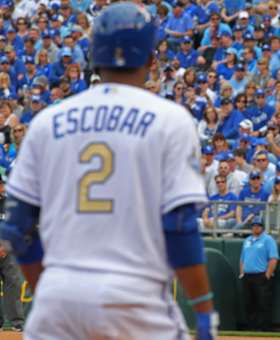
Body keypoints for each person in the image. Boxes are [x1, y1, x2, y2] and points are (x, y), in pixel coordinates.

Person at [0, 3, 218, 340]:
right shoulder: (170, 120)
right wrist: (203, 310)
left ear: (94, 56)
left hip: (58, 303)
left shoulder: (46, 123)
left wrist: (52, 290)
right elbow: (180, 227)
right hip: (135, 301)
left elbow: (17, 228)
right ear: (150, 59)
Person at [239, 216, 278, 331]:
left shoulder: (268, 240)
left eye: (258, 226)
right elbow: (242, 259)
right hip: (247, 276)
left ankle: (263, 329)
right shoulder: (247, 240)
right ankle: (251, 328)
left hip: (261, 276)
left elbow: (273, 258)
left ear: (262, 227)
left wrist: (267, 275)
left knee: (263, 304)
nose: (256, 228)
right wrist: (242, 273)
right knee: (248, 304)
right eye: (254, 226)